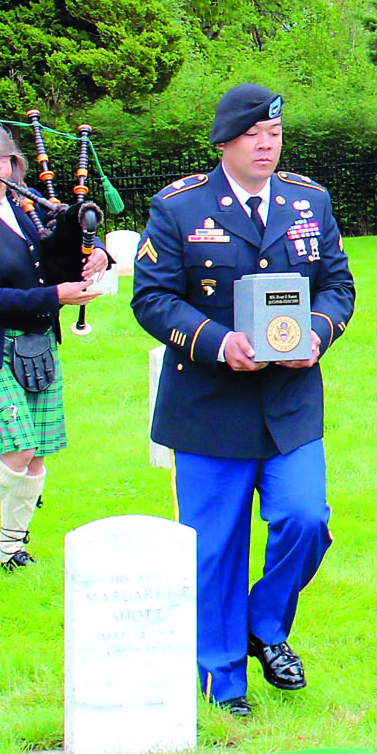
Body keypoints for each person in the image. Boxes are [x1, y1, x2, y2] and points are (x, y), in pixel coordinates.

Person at [131, 84, 356, 716]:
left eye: (274, 134)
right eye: (254, 135)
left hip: (288, 402)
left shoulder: (309, 200)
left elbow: (338, 284)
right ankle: (222, 680)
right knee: (215, 548)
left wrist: (318, 331)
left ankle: (264, 623)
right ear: (224, 143)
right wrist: (218, 341)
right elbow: (152, 298)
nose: (266, 145)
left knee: (306, 519)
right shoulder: (179, 207)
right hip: (209, 405)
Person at [0, 119, 108, 584]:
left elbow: (56, 252)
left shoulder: (25, 210)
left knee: (36, 456)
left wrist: (95, 251)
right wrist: (56, 296)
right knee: (18, 447)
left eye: (5, 157)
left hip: (39, 343)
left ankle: (11, 548)